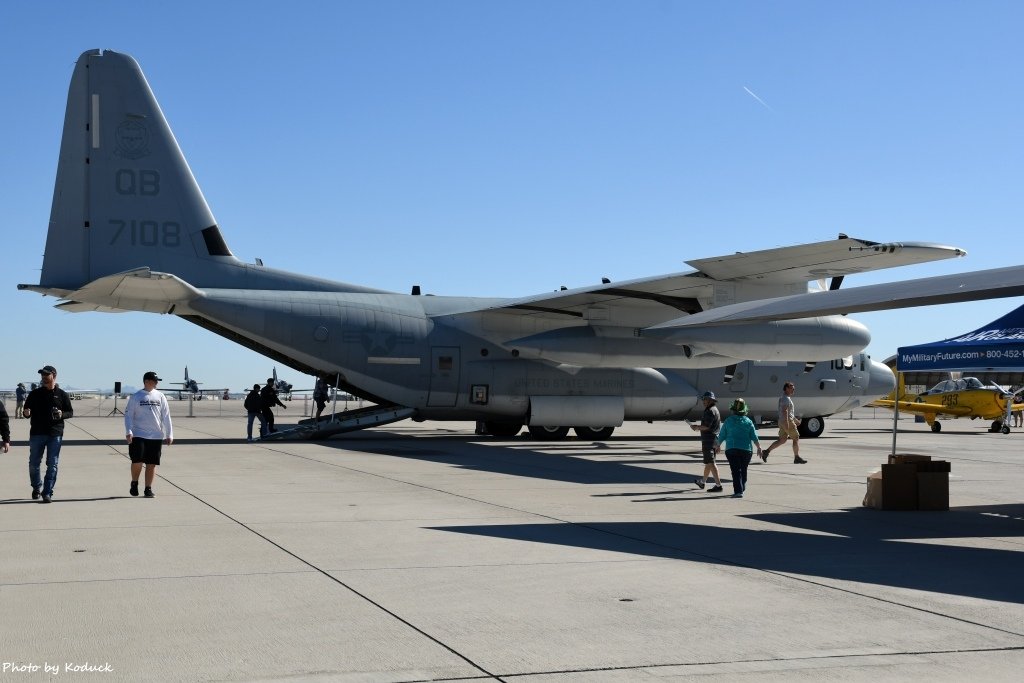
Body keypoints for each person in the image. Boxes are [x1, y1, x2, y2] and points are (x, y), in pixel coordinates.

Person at [22, 365, 74, 503]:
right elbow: (26, 411)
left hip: (55, 434)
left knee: (53, 464)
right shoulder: (35, 394)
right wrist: (26, 413)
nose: (44, 377)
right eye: (42, 375)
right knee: (34, 463)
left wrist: (62, 414)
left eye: (46, 375)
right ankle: (36, 487)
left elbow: (70, 412)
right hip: (37, 434)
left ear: (54, 376)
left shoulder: (62, 394)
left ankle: (47, 492)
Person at [124, 371, 173, 498]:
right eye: (154, 381)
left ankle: (148, 488)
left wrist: (169, 434)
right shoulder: (136, 396)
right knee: (137, 461)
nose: (156, 383)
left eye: (156, 381)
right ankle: (134, 483)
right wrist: (129, 431)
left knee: (152, 463)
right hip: (138, 434)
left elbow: (166, 416)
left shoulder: (160, 396)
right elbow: (129, 416)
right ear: (146, 381)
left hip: (156, 436)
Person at [716, 398, 762, 498]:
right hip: (746, 450)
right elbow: (754, 436)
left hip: (731, 449)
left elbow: (722, 435)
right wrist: (759, 447)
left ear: (733, 410)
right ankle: (741, 487)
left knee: (736, 471)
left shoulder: (728, 421)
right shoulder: (749, 421)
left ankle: (738, 491)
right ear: (744, 410)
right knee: (743, 469)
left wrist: (717, 445)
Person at [763, 382, 807, 464]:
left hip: (782, 421)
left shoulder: (784, 398)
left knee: (782, 440)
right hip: (787, 421)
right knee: (796, 438)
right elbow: (785, 411)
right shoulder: (786, 399)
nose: (793, 389)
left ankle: (766, 452)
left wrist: (795, 420)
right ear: (786, 388)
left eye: (793, 388)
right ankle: (796, 457)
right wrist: (787, 422)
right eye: (791, 388)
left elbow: (788, 412)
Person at [690, 390, 724, 492]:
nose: (703, 401)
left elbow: (706, 427)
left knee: (711, 462)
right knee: (709, 463)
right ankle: (703, 482)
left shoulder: (710, 411)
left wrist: (696, 427)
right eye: (703, 399)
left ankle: (718, 485)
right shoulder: (714, 409)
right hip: (713, 440)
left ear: (710, 400)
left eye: (705, 399)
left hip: (709, 441)